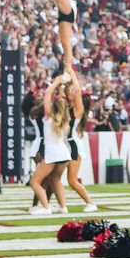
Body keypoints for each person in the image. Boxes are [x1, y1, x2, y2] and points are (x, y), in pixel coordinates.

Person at [29, 65, 81, 215]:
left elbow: (47, 94)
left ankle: (46, 207)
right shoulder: (66, 117)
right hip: (64, 152)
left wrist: (56, 82)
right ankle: (63, 207)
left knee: (35, 182)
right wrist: (62, 85)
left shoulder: (49, 116)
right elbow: (61, 100)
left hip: (52, 152)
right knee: (56, 180)